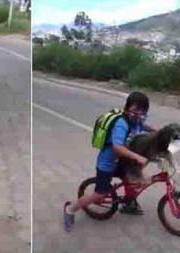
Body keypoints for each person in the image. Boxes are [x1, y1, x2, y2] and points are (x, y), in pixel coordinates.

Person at [63, 92, 156, 231]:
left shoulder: (136, 121)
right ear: (128, 107)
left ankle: (129, 204)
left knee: (133, 179)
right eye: (136, 109)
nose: (139, 113)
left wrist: (161, 133)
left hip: (121, 161)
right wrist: (137, 157)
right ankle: (70, 208)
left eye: (142, 110)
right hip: (107, 164)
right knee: (99, 194)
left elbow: (145, 127)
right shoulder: (121, 124)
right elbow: (117, 147)